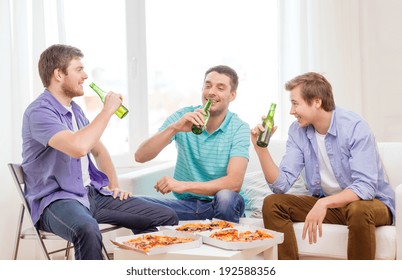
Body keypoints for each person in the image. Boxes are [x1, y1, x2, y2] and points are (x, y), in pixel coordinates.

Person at [21, 44, 178, 260]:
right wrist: (106, 111)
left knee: (164, 216)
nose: (85, 76)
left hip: (92, 194)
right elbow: (78, 147)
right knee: (87, 229)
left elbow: (99, 151)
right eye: (79, 69)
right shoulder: (39, 112)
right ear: (58, 74)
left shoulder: (75, 110)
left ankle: (142, 267)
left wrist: (114, 186)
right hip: (56, 201)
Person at [250, 72, 395, 260]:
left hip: (371, 204)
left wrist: (324, 203)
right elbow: (281, 185)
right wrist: (261, 149)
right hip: (331, 205)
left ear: (316, 102)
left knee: (358, 209)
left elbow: (365, 187)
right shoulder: (298, 131)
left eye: (295, 103)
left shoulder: (354, 126)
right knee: (273, 203)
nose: (291, 111)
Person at [135, 65, 250, 223]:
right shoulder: (183, 116)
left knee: (225, 198)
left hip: (224, 204)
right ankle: (200, 221)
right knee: (135, 205)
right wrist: (175, 128)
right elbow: (140, 156)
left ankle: (217, 237)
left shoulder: (239, 128)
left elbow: (234, 183)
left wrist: (182, 186)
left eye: (220, 88)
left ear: (232, 95)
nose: (211, 92)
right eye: (208, 85)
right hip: (187, 205)